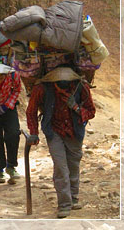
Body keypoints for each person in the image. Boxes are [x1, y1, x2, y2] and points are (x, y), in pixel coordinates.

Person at [26, 67, 96, 218]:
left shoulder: (80, 87)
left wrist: (76, 107)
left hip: (74, 131)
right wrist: (34, 132)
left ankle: (74, 197)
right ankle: (64, 204)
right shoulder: (42, 88)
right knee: (60, 166)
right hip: (54, 130)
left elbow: (91, 111)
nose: (63, 84)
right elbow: (31, 110)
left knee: (73, 164)